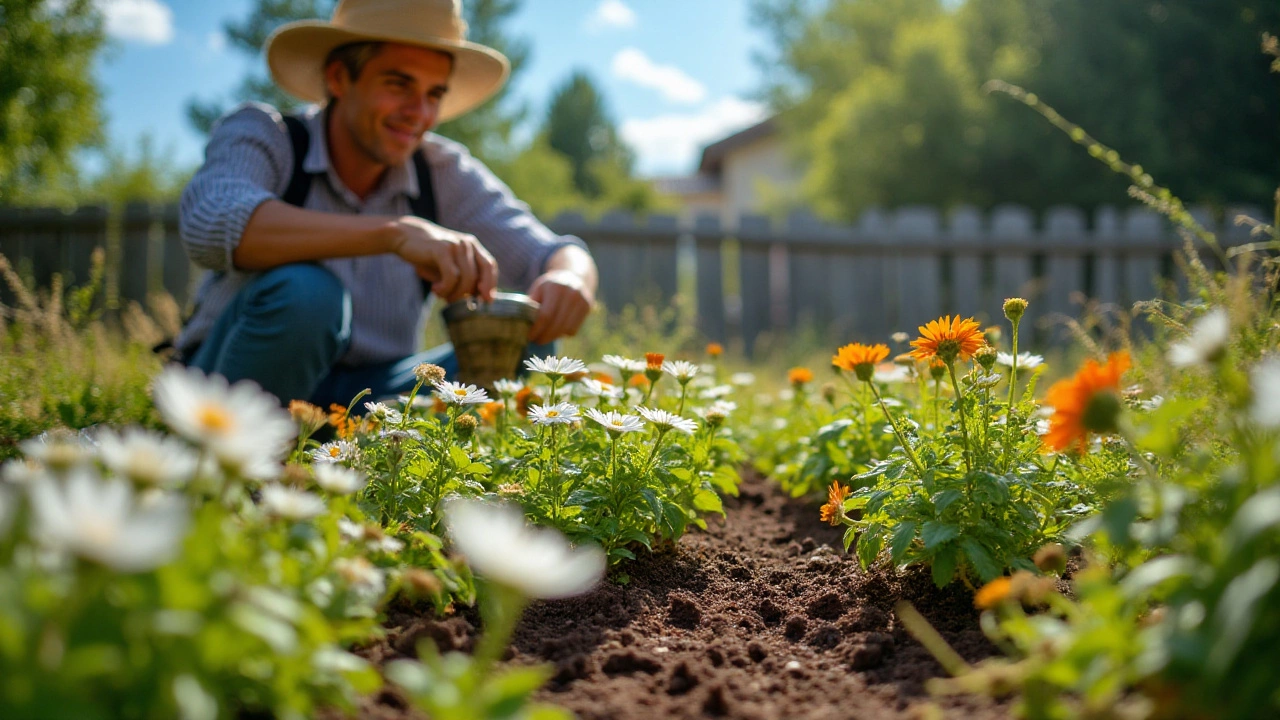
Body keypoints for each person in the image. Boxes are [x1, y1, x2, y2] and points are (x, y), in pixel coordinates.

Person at [174, 0, 597, 407]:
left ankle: (388, 471)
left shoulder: (440, 169)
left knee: (523, 335)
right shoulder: (267, 136)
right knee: (308, 296)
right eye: (399, 84)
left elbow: (553, 252)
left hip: (372, 398)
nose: (419, 112)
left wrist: (570, 278)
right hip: (230, 391)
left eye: (435, 94)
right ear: (338, 78)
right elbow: (217, 226)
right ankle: (228, 471)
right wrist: (396, 234)